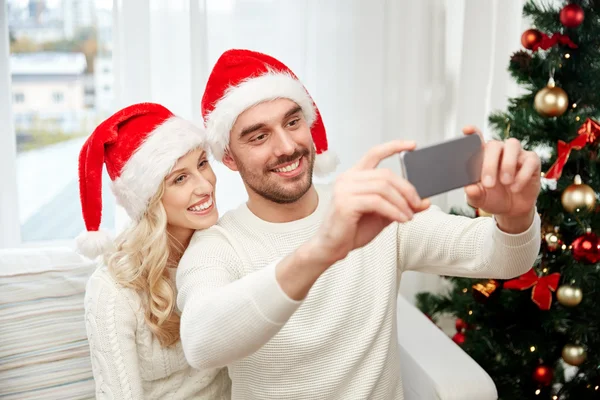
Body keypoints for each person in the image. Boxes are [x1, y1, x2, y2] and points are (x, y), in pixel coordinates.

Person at [176, 49, 542, 400]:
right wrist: (322, 251)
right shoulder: (218, 245)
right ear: (229, 158)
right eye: (259, 136)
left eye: (293, 122)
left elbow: (503, 260)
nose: (287, 146)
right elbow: (201, 342)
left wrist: (516, 215)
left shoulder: (371, 206)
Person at [76, 103, 231, 399]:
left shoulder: (224, 246)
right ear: (150, 199)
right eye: (180, 179)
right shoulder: (113, 289)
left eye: (202, 163)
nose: (205, 185)